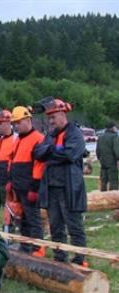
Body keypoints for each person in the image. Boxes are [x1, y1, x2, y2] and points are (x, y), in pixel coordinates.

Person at [33, 97, 88, 267]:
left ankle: (80, 258)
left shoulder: (75, 133)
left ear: (62, 114)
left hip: (70, 187)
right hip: (52, 187)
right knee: (56, 225)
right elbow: (38, 153)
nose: (50, 121)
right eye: (49, 118)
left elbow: (70, 154)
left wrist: (51, 153)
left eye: (53, 117)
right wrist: (54, 149)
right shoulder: (50, 135)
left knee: (74, 225)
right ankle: (59, 256)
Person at [7, 106, 46, 257]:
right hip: (18, 185)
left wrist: (34, 188)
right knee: (21, 218)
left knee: (33, 217)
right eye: (14, 123)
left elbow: (39, 165)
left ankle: (38, 247)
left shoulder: (38, 138)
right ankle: (25, 245)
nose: (16, 126)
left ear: (28, 120)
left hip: (30, 185)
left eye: (18, 123)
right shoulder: (18, 140)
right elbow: (12, 160)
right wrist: (10, 179)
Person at [96, 121, 119, 191]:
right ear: (112, 128)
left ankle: (103, 196)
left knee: (104, 180)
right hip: (112, 162)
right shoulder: (114, 137)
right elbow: (117, 149)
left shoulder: (100, 137)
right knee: (113, 180)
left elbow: (98, 150)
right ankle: (114, 197)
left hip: (103, 162)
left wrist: (99, 159)